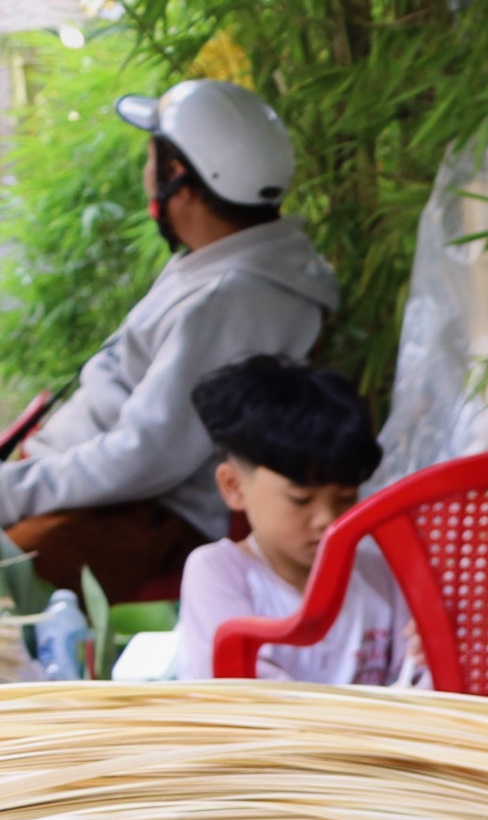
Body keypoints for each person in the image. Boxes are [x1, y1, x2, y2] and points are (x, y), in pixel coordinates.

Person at [1, 81, 341, 599]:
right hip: (99, 487)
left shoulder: (233, 300)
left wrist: (15, 492)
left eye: (150, 158)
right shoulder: (230, 260)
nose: (144, 173)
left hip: (146, 514)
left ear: (177, 179)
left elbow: (143, 458)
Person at [172, 355, 420, 684]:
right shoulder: (219, 573)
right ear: (234, 486)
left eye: (346, 497)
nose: (327, 520)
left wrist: (425, 659)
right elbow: (252, 702)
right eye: (300, 499)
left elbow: (418, 688)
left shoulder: (379, 575)